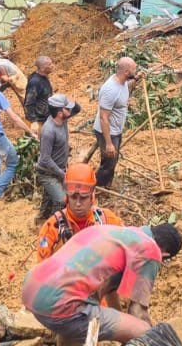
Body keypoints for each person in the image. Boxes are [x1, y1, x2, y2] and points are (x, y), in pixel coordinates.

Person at [21, 224, 182, 345]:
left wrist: (121, 328)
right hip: (61, 307)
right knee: (144, 331)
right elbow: (138, 311)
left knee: (80, 323)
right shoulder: (151, 250)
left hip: (31, 292)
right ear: (165, 254)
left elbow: (110, 292)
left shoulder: (118, 233)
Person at [36, 163, 124, 262]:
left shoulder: (108, 220)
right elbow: (42, 268)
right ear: (67, 197)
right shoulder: (51, 228)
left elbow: (128, 244)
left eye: (83, 198)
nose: (78, 203)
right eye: (73, 197)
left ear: (92, 196)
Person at [93, 57, 140, 188]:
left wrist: (138, 79)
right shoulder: (110, 89)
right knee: (109, 163)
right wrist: (108, 143)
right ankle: (94, 188)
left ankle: (106, 185)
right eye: (134, 70)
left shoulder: (122, 81)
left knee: (112, 160)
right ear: (126, 72)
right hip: (108, 131)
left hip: (115, 129)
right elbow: (103, 117)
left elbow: (125, 88)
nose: (135, 72)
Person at [35, 94, 80, 222]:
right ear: (60, 113)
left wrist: (70, 102)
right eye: (67, 109)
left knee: (49, 197)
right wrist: (62, 174)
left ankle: (40, 219)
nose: (70, 111)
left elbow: (77, 109)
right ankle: (54, 225)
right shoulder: (48, 131)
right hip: (47, 173)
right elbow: (45, 159)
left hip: (58, 169)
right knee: (61, 200)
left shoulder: (63, 118)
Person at [24, 56, 55, 124]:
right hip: (39, 120)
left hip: (46, 117)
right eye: (49, 64)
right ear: (42, 68)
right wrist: (34, 121)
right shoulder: (35, 82)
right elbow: (29, 103)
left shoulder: (44, 77)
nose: (52, 65)